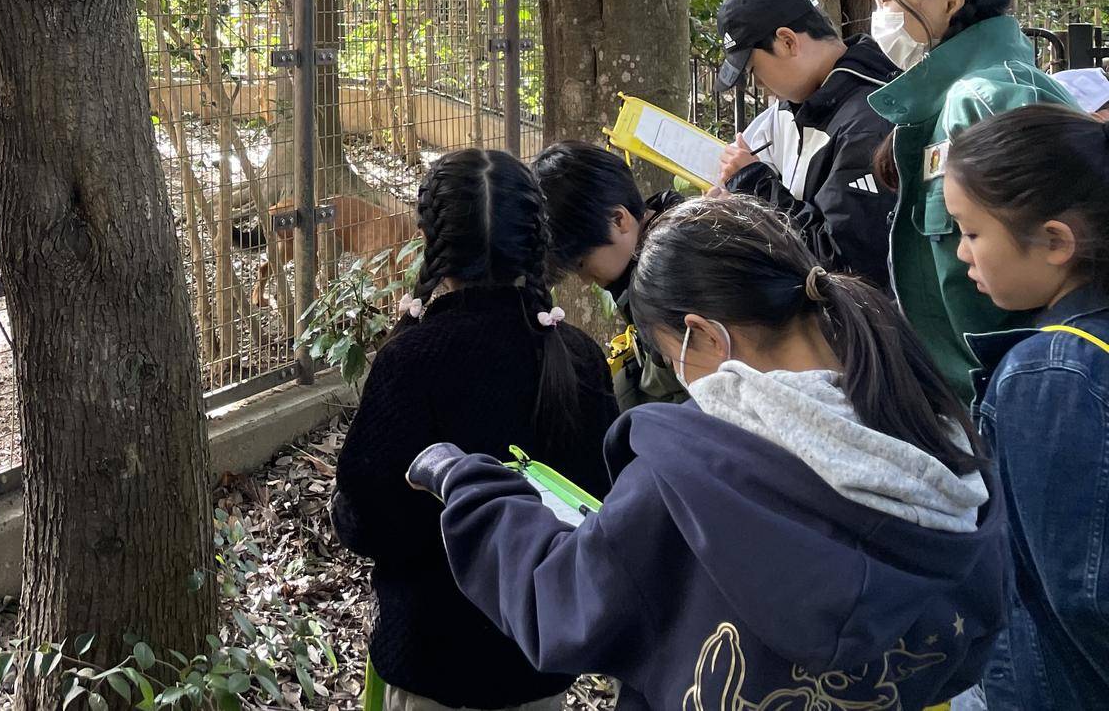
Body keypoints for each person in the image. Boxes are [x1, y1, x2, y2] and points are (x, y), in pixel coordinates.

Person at [412, 194, 1006, 711]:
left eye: (672, 353)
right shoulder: (932, 429)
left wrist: (473, 489)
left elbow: (561, 598)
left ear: (706, 336)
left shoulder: (695, 476)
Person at [332, 148, 616, 711]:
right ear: (536, 238)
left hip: (432, 665)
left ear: (432, 237)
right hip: (538, 669)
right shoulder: (577, 358)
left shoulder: (410, 360)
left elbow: (367, 519)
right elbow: (599, 502)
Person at [863, 0, 1076, 399]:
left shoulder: (984, 101)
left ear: (949, 1)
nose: (880, 17)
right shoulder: (960, 98)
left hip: (1009, 394)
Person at [943, 105, 1109, 710]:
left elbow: (1081, 595)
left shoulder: (1049, 376)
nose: (962, 254)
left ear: (1056, 241)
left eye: (971, 231)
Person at [712, 0, 900, 286]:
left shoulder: (868, 122)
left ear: (787, 41)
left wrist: (755, 187)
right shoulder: (800, 108)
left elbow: (845, 266)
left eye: (754, 70)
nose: (759, 84)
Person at [533, 140, 685, 409]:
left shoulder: (676, 274)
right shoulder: (654, 253)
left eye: (581, 263)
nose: (586, 280)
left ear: (618, 219)